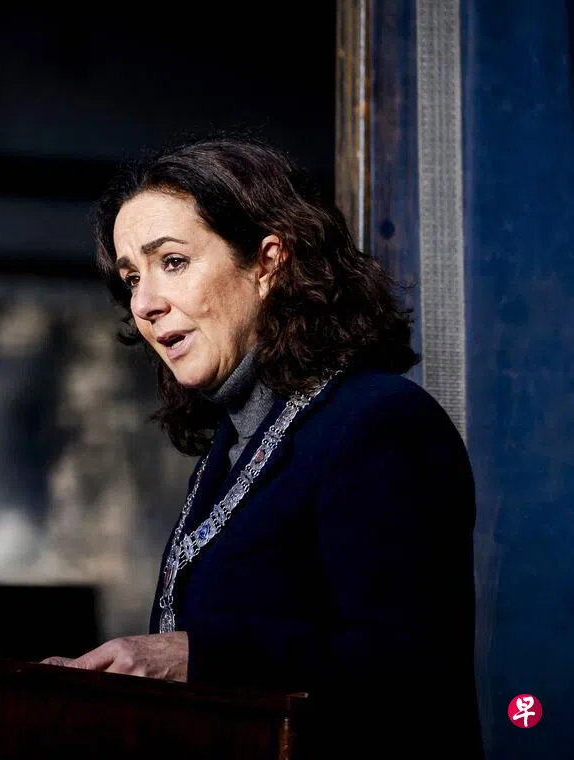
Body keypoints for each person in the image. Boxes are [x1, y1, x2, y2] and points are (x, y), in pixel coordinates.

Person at [41, 133, 482, 758]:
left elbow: (411, 667)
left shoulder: (380, 422)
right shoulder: (228, 451)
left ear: (269, 263)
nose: (145, 303)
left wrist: (194, 657)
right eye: (131, 277)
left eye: (172, 262)